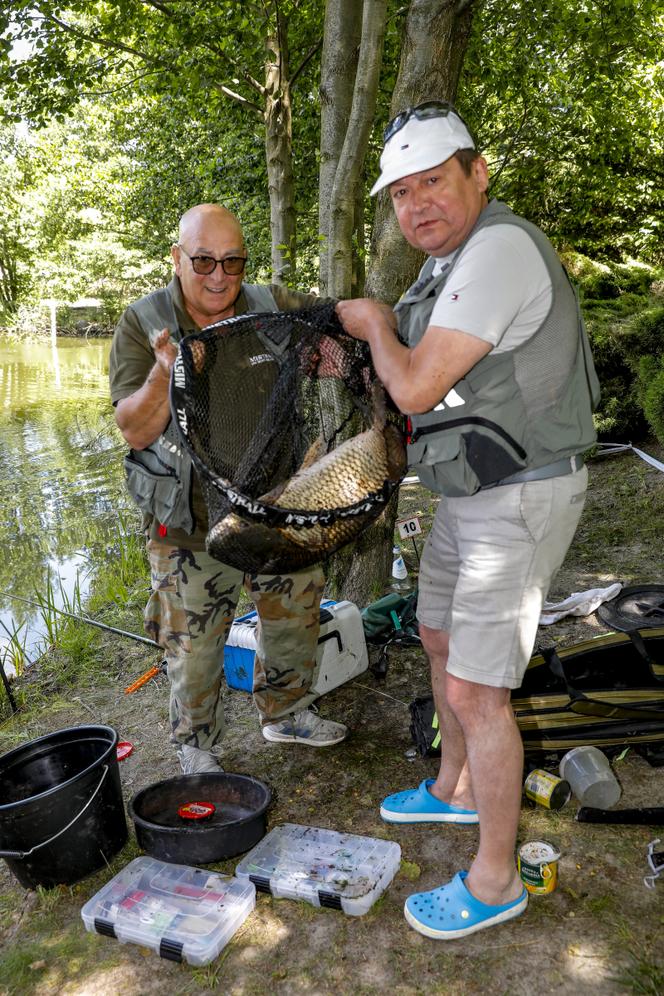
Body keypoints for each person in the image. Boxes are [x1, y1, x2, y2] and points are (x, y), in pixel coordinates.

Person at [337, 101, 599, 939]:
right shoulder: (444, 264)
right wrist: (370, 340)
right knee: (440, 639)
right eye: (402, 193)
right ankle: (450, 789)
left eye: (435, 183)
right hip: (469, 491)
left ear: (477, 175)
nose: (418, 206)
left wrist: (372, 322)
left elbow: (413, 386)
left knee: (479, 692)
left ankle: (495, 883)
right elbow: (416, 358)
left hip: (520, 495)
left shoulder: (500, 251)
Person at [109, 203, 347, 775]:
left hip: (276, 506)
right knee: (194, 648)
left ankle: (286, 711)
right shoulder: (144, 322)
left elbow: (344, 315)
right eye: (204, 261)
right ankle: (196, 744)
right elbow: (133, 427)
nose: (219, 276)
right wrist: (164, 373)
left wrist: (348, 342)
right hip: (189, 523)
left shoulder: (270, 306)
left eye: (232, 261)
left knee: (295, 615)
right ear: (177, 258)